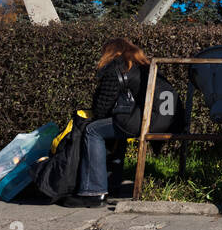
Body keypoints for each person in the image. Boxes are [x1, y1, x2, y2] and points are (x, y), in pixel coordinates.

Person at [63, 37, 177, 208]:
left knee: (93, 130)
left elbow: (102, 108)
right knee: (118, 129)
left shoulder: (117, 68)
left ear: (110, 52)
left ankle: (93, 192)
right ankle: (112, 184)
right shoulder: (143, 66)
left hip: (147, 119)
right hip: (167, 120)